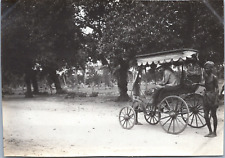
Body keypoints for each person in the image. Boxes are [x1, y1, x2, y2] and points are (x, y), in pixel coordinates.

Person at [193, 61, 219, 137]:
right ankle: (210, 131)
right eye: (205, 68)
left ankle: (214, 132)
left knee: (213, 115)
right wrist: (197, 84)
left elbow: (217, 88)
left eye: (208, 68)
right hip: (206, 96)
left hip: (212, 96)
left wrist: (216, 99)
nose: (206, 70)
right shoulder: (206, 77)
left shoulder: (214, 77)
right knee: (205, 115)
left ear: (211, 69)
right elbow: (205, 85)